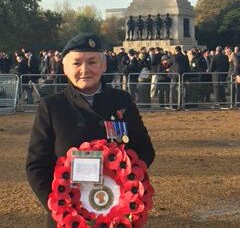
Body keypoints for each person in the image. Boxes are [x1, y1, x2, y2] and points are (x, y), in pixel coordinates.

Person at [26, 33, 155, 227]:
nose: (85, 70)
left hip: (117, 215)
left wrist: (124, 183)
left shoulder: (122, 101)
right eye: (76, 63)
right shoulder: (52, 106)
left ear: (103, 66)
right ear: (65, 68)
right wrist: (58, 205)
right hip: (67, 219)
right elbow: (36, 166)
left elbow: (145, 150)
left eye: (92, 62)